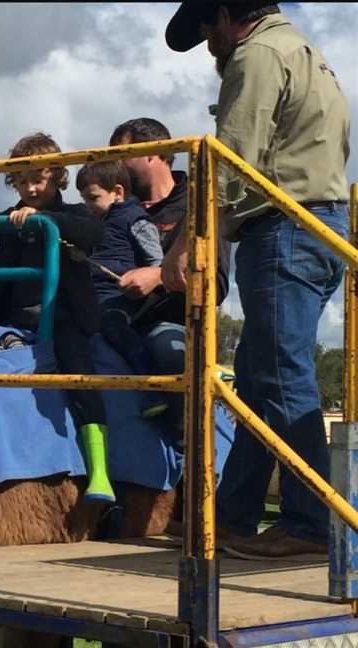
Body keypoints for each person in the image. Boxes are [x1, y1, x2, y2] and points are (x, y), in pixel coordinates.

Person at [163, 0, 350, 559]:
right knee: (260, 376)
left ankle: (311, 521)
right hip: (315, 224)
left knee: (282, 375)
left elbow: (234, 158)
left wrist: (186, 237)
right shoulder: (304, 52)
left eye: (205, 28)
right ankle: (236, 516)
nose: (208, 43)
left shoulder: (257, 55)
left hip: (285, 227)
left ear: (224, 15)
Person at [0, 132, 114, 503]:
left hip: (64, 317)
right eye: (22, 181)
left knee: (79, 372)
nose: (30, 188)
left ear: (56, 175)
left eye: (38, 179)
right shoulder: (9, 218)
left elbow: (93, 232)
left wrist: (45, 220)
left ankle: (99, 470)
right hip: (11, 321)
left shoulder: (71, 214)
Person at [108, 117, 232, 444]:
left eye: (121, 154)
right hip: (109, 321)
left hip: (170, 325)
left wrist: (159, 276)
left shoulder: (200, 202)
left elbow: (214, 286)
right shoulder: (111, 206)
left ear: (155, 152)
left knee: (170, 352)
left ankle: (186, 464)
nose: (112, 165)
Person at [75, 160, 163, 372]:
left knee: (111, 324)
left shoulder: (135, 220)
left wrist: (147, 278)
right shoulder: (93, 220)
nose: (88, 205)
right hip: (92, 294)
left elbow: (156, 261)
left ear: (117, 192)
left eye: (93, 198)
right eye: (84, 199)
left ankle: (146, 378)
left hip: (119, 296)